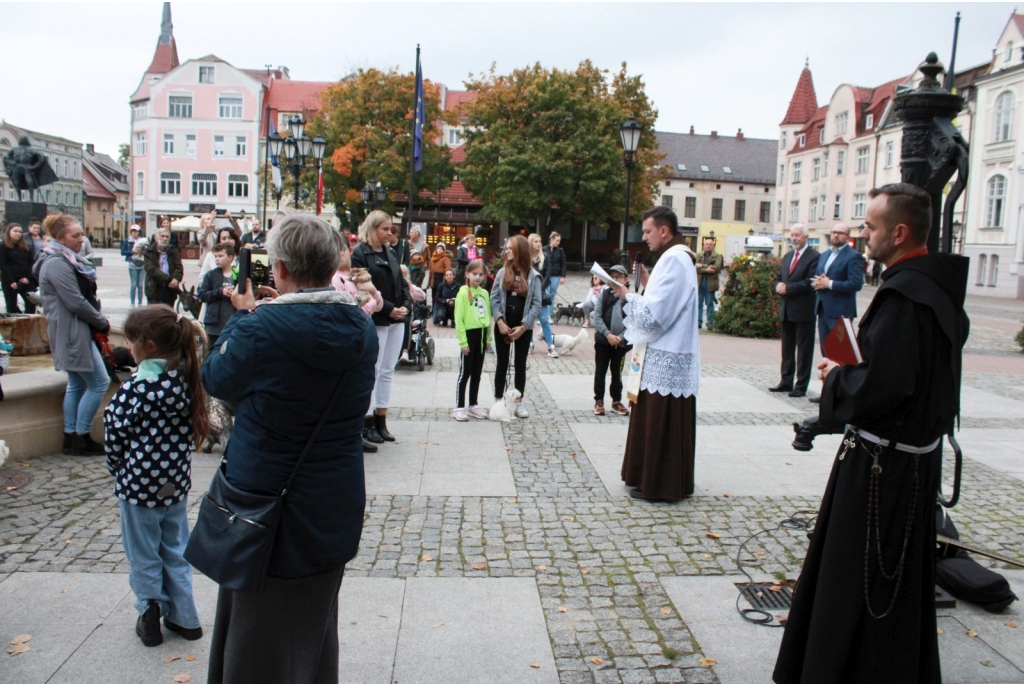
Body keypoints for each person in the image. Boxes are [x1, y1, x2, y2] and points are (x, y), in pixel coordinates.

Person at [773, 183, 969, 683]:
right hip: (912, 462)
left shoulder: (906, 296)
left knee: (855, 575)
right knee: (891, 578)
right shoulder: (929, 287)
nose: (864, 235)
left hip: (884, 466)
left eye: (871, 227)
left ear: (899, 233)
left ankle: (843, 667)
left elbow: (883, 387)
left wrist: (834, 377)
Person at [202, 213, 377, 683]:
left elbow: (215, 378)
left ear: (277, 269)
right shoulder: (359, 328)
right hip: (331, 502)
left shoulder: (261, 329)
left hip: (266, 509)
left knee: (256, 641)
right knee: (311, 631)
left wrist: (243, 313)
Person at [104, 305, 208, 647]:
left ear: (147, 346)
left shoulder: (136, 388)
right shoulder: (186, 381)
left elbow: (114, 431)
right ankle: (186, 616)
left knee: (143, 551)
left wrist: (117, 469)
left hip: (138, 486)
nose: (129, 347)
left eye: (132, 341)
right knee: (176, 548)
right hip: (174, 483)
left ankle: (150, 615)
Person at [613, 206, 699, 502]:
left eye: (648, 231)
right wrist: (648, 287)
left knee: (660, 419)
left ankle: (660, 484)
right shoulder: (674, 257)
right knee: (658, 418)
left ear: (664, 230)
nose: (644, 238)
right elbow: (665, 300)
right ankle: (657, 478)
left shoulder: (675, 259)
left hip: (667, 351)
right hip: (667, 350)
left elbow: (656, 315)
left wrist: (629, 296)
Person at [32, 214, 110, 456]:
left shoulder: (61, 259)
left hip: (69, 330)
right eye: (75, 235)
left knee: (76, 383)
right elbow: (75, 301)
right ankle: (81, 436)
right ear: (59, 238)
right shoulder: (57, 262)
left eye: (81, 234)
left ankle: (71, 436)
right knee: (100, 382)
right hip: (72, 332)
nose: (80, 239)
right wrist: (101, 321)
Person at [351, 210, 411, 445]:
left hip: (396, 319)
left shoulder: (391, 252)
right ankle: (366, 423)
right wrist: (388, 308)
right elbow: (363, 288)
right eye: (385, 229)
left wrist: (405, 305)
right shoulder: (360, 253)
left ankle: (381, 418)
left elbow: (402, 283)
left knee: (388, 370)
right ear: (373, 228)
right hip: (376, 319)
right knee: (372, 370)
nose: (389, 233)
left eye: (391, 229)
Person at [490, 234, 542, 418]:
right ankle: (498, 401)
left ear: (520, 250)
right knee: (502, 364)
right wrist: (499, 321)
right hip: (503, 324)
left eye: (511, 248)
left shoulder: (534, 276)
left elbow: (537, 303)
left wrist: (524, 326)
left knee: (520, 364)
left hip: (523, 327)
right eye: (507, 248)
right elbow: (494, 298)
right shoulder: (502, 272)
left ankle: (518, 402)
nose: (507, 251)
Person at [769, 224, 820, 398]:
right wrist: (777, 286)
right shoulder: (788, 256)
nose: (794, 238)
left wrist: (788, 288)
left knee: (804, 350)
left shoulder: (814, 257)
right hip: (786, 309)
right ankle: (785, 381)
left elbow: (810, 282)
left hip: (804, 310)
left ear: (806, 237)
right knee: (787, 348)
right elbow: (777, 278)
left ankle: (801, 385)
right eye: (792, 235)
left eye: (798, 235)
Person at [812, 223, 865, 354]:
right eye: (834, 232)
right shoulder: (824, 255)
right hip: (823, 309)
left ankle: (840, 375)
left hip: (841, 312)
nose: (836, 235)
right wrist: (817, 282)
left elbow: (856, 284)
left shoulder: (853, 256)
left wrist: (829, 284)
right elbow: (818, 277)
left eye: (840, 233)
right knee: (825, 351)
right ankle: (828, 374)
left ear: (847, 237)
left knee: (839, 352)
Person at [453, 259, 493, 421]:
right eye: (474, 274)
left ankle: (473, 404)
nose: (477, 277)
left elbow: (487, 317)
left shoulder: (484, 294)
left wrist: (488, 338)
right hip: (469, 335)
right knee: (465, 372)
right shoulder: (463, 292)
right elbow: (459, 319)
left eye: (481, 274)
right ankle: (459, 406)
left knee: (477, 372)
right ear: (468, 274)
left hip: (482, 335)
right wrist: (463, 342)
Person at [592, 265, 632, 416]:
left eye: (618, 277)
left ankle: (616, 400)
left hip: (620, 343)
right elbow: (597, 317)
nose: (615, 280)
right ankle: (599, 400)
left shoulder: (629, 297)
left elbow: (632, 321)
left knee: (617, 372)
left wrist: (621, 337)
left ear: (625, 279)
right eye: (612, 277)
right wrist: (608, 335)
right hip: (604, 340)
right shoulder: (604, 294)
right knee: (600, 370)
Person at [196, 243, 238, 348]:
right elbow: (202, 295)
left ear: (230, 258)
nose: (217, 259)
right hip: (214, 325)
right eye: (215, 256)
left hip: (233, 323)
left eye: (220, 256)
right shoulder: (210, 275)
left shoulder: (238, 275)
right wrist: (220, 292)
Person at [528, 233, 556, 357]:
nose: (539, 244)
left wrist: (540, 289)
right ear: (530, 243)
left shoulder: (545, 257)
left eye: (540, 241)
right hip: (527, 292)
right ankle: (530, 344)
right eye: (536, 241)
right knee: (528, 320)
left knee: (544, 319)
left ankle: (551, 346)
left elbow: (548, 274)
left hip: (542, 292)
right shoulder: (526, 257)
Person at [1, 222, 38, 314]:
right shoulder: (3, 246)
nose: (18, 233)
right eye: (15, 231)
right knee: (12, 307)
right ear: (9, 232)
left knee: (31, 305)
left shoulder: (26, 246)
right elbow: (2, 264)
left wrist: (28, 278)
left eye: (20, 232)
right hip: (10, 281)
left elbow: (32, 264)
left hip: (26, 280)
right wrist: (11, 281)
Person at [144, 227, 183, 307]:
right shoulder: (149, 252)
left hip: (170, 289)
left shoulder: (173, 250)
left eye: (167, 236)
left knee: (168, 315)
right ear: (156, 238)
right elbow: (151, 270)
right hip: (155, 288)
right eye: (162, 236)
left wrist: (176, 279)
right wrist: (169, 279)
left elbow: (179, 267)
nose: (165, 239)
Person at [694, 237, 723, 329]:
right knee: (698, 303)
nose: (708, 246)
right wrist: (706, 269)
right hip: (699, 282)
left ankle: (710, 322)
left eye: (710, 244)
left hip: (710, 283)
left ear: (713, 246)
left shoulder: (718, 256)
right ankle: (698, 322)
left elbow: (716, 267)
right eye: (706, 244)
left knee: (710, 303)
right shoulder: (698, 255)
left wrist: (702, 266)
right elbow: (694, 267)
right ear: (703, 245)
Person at [429, 243, 452, 316]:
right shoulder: (433, 257)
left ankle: (439, 311)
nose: (440, 250)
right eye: (438, 248)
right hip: (434, 278)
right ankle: (433, 310)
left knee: (439, 295)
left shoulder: (446, 258)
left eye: (441, 249)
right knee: (433, 295)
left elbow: (447, 268)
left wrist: (445, 278)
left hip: (441, 277)